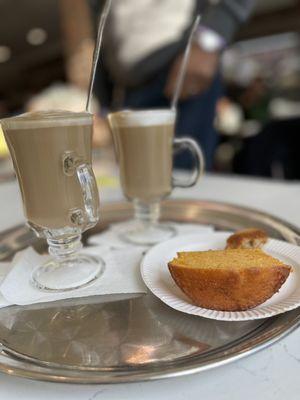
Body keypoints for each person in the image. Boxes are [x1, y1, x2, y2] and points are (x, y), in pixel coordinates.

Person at [90, 0, 256, 169]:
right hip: (126, 87)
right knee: (136, 181)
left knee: (182, 182)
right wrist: (102, 98)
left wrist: (210, 39)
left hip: (181, 69)